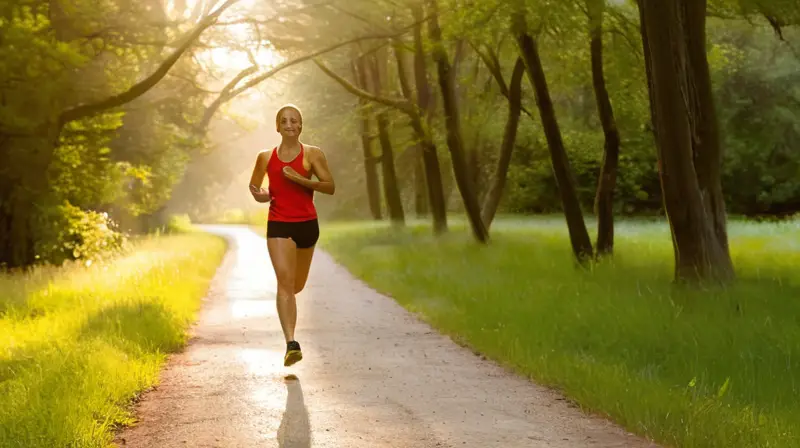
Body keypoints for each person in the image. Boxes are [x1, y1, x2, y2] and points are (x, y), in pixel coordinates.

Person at [248, 104, 335, 367]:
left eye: (294, 120)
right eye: (284, 121)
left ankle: (290, 336)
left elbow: (329, 186)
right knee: (285, 283)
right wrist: (261, 195)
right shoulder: (265, 157)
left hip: (307, 225)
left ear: (300, 126)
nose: (289, 124)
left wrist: (300, 179)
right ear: (277, 126)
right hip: (279, 224)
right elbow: (257, 189)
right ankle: (291, 344)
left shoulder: (313, 154)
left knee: (296, 286)